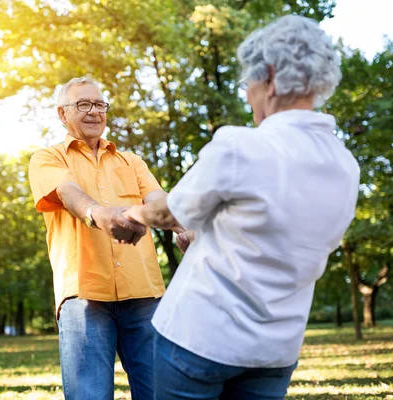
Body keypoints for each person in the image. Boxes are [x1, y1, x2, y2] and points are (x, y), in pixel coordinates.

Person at [123, 15, 360, 399]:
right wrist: (206, 241)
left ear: (268, 76)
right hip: (274, 352)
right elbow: (278, 238)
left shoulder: (241, 146)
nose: (247, 96)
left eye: (247, 84)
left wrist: (131, 213)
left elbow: (170, 213)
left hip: (199, 340)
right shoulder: (345, 165)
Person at [28, 77, 169, 400]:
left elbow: (158, 200)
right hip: (83, 295)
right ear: (62, 114)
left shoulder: (131, 162)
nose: (94, 112)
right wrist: (96, 213)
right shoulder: (48, 158)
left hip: (143, 291)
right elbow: (67, 192)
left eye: (99, 104)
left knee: (160, 392)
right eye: (83, 104)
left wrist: (182, 226)